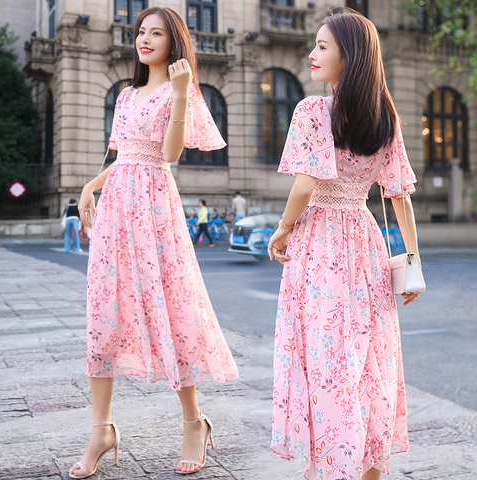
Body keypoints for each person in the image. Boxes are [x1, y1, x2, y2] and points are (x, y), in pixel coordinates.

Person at [71, 7, 238, 479]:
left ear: (173, 41)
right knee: (103, 311)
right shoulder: (126, 95)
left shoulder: (176, 90)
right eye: (140, 31)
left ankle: (193, 422)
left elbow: (165, 155)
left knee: (172, 310)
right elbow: (126, 156)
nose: (144, 39)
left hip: (154, 209)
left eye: (156, 33)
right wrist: (91, 185)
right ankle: (101, 429)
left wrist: (182, 94)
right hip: (116, 209)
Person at [267, 8, 421, 480]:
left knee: (324, 360)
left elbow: (306, 184)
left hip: (321, 244)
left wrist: (282, 229)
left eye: (322, 46)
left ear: (348, 55)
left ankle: (331, 467)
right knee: (365, 361)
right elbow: (399, 198)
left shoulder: (313, 110)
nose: (312, 54)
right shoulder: (385, 118)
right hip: (365, 239)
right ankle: (367, 467)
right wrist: (412, 262)